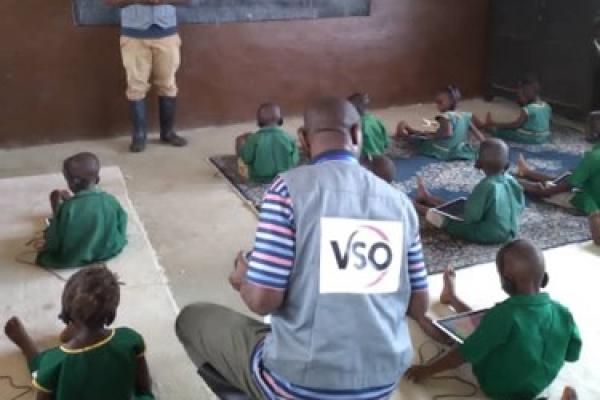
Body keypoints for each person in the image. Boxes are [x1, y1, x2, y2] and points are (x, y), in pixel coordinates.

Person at [176, 97, 437, 399]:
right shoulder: (400, 204)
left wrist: (244, 281)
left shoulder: (286, 190)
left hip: (299, 384)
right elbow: (418, 307)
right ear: (356, 133)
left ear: (301, 139)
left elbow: (263, 302)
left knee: (192, 319)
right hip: (382, 384)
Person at [405, 239, 581, 400]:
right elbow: (572, 354)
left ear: (507, 283)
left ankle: (421, 318)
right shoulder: (563, 313)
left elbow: (462, 355)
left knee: (460, 338)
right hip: (541, 382)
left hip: (501, 389)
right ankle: (452, 297)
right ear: (543, 277)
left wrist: (426, 371)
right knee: (489, 323)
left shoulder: (505, 315)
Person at [4, 266, 155, 400]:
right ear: (112, 310)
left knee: (43, 369)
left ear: (67, 309)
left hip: (51, 365)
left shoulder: (55, 361)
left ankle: (27, 345)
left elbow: (43, 378)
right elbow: (145, 388)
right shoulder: (130, 339)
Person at [105, 0, 190, 153]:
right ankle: (139, 135)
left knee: (168, 84)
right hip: (133, 37)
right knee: (136, 86)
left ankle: (168, 132)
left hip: (167, 35)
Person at [414, 139, 525, 244]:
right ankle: (426, 197)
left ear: (479, 162)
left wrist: (462, 215)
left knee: (442, 219)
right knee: (460, 206)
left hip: (490, 234)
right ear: (507, 163)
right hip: (511, 230)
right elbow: (520, 205)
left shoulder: (486, 186)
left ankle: (414, 205)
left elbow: (471, 217)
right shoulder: (511, 180)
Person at [37, 152, 128, 269]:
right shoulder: (110, 200)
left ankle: (57, 209)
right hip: (110, 251)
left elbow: (53, 242)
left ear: (72, 183)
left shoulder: (68, 208)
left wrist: (54, 221)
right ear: (98, 179)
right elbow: (122, 223)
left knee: (47, 252)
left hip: (74, 257)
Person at [396, 86, 484, 161]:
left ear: (451, 102)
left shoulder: (445, 116)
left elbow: (447, 133)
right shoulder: (464, 115)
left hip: (443, 149)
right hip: (457, 147)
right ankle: (412, 130)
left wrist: (433, 136)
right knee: (426, 134)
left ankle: (405, 135)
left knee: (421, 142)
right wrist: (485, 144)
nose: (437, 105)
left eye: (440, 102)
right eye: (436, 102)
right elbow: (476, 132)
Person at [235, 103, 300, 183]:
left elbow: (246, 158)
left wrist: (242, 144)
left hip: (258, 178)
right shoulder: (288, 137)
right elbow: (295, 159)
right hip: (284, 177)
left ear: (258, 121)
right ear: (280, 119)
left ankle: (243, 180)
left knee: (239, 141)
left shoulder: (254, 139)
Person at [479, 77, 552, 144]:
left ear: (525, 93)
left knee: (499, 131)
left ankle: (488, 125)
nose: (518, 97)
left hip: (530, 137)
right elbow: (547, 122)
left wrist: (496, 124)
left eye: (520, 94)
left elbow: (515, 125)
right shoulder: (547, 106)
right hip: (543, 137)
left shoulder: (528, 109)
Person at [348, 92, 390, 158]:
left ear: (355, 109)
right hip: (381, 156)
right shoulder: (376, 120)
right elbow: (386, 143)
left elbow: (354, 146)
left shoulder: (357, 126)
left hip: (367, 159)